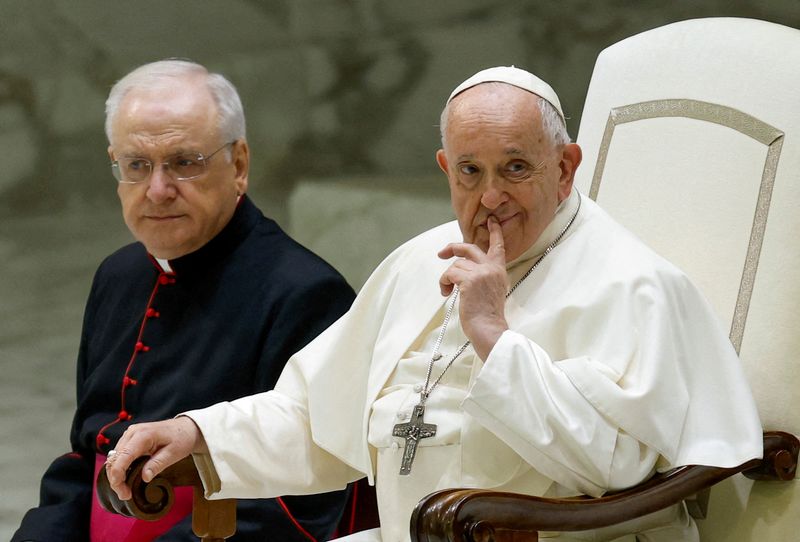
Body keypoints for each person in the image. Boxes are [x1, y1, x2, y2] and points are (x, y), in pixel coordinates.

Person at [106, 66, 763, 542]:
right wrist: (201, 432)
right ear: (446, 169)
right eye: (470, 172)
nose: (490, 196)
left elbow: (610, 468)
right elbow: (316, 416)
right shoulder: (420, 262)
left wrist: (492, 335)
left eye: (515, 168)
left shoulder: (632, 284)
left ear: (564, 168)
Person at [13, 60, 356, 542]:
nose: (158, 189)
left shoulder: (305, 293)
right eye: (137, 165)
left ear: (238, 165)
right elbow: (85, 452)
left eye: (184, 162)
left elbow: (302, 505)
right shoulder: (119, 274)